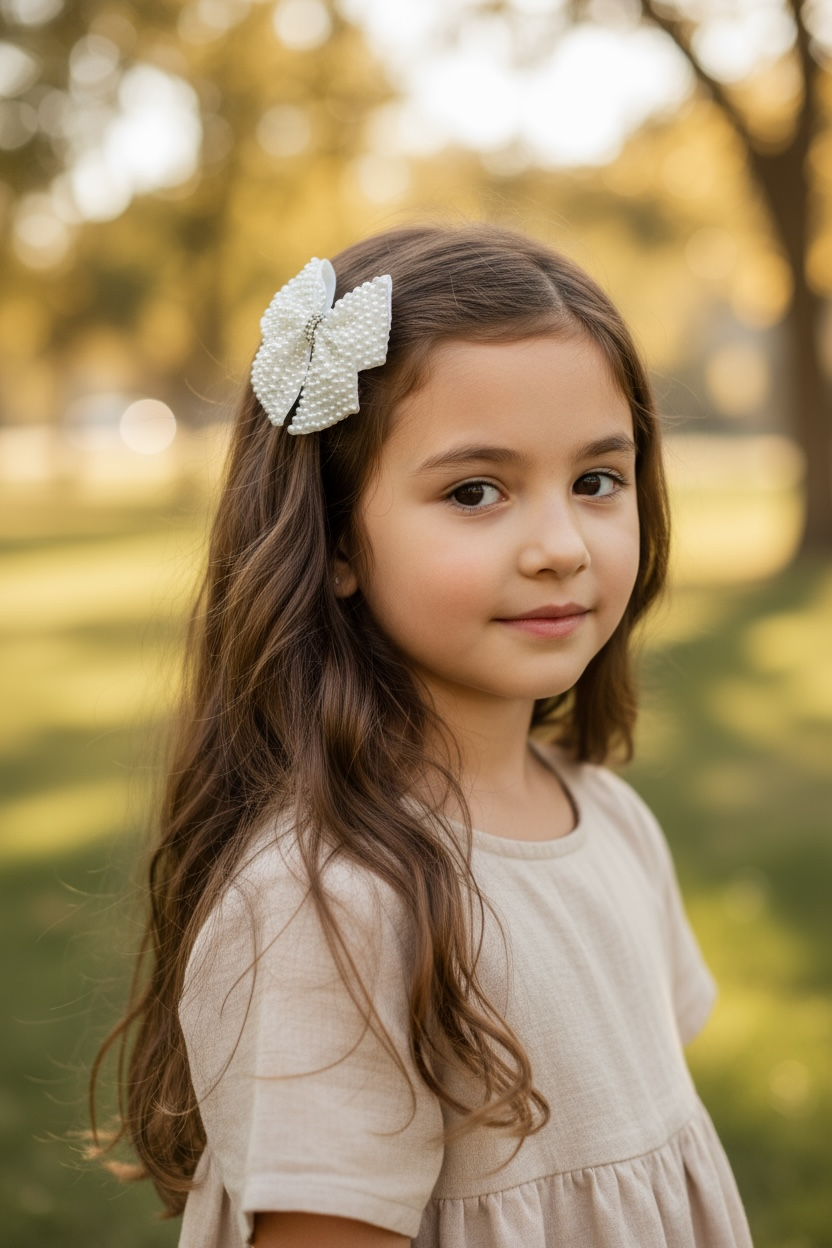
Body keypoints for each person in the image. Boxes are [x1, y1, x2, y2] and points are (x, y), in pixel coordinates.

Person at [93, 222, 754, 1247]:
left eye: (595, 481)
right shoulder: (330, 905)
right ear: (338, 535)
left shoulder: (611, 819)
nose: (558, 547)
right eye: (474, 492)